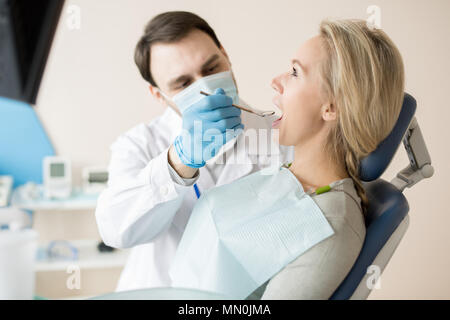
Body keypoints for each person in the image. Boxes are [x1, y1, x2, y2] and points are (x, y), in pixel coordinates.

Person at [169, 18, 405, 299]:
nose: (275, 81)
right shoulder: (287, 174)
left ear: (332, 107)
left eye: (294, 72)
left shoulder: (330, 225)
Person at [94, 11, 293, 292]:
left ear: (226, 55)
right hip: (158, 292)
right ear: (157, 94)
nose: (205, 86)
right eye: (184, 84)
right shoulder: (138, 144)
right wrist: (179, 162)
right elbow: (115, 231)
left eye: (212, 68)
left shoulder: (278, 135)